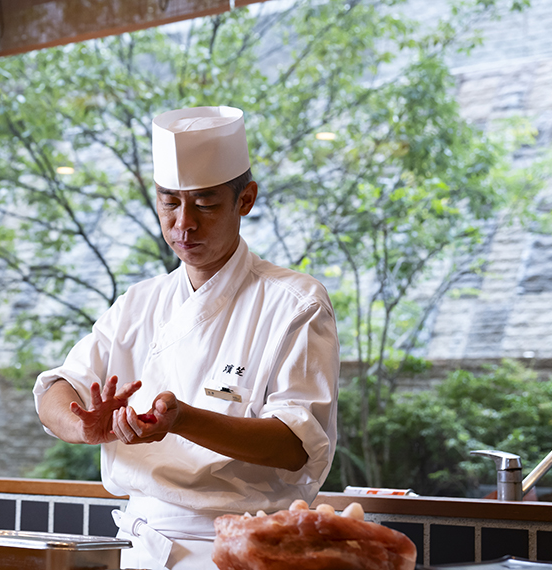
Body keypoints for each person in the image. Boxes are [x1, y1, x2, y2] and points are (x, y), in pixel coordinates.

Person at [32, 105, 340, 570]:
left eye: (206, 203)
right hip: (139, 548)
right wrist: (83, 425)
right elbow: (58, 387)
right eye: (169, 202)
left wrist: (181, 419)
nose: (184, 223)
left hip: (243, 550)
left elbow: (295, 444)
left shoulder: (296, 302)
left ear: (246, 199)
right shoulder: (138, 302)